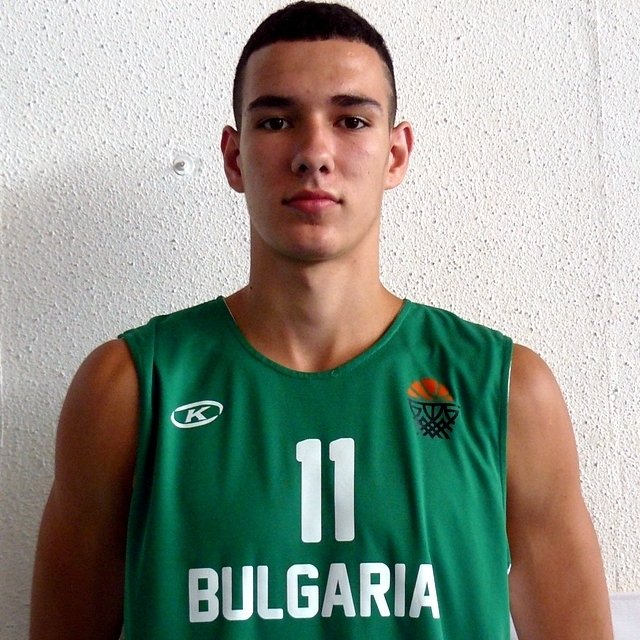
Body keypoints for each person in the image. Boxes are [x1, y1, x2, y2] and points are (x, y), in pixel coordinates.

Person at [30, 2, 613, 639]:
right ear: (234, 157)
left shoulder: (504, 392)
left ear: (395, 154)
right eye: (277, 121)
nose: (313, 152)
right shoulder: (128, 389)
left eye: (351, 120)